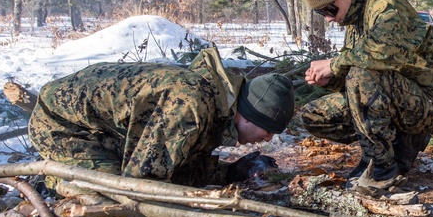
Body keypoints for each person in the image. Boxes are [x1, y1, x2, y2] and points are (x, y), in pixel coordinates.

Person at [28, 44, 294, 187]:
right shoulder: (190, 104)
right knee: (112, 200)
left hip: (102, 128)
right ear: (248, 116)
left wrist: (231, 172)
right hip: (62, 126)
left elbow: (174, 167)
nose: (267, 139)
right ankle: (54, 185)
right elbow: (143, 185)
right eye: (268, 130)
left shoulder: (216, 107)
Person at [299, 0, 433, 192]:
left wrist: (334, 64)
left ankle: (381, 165)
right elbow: (354, 77)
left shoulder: (384, 1)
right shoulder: (354, 19)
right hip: (396, 97)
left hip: (430, 102)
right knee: (314, 115)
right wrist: (331, 79)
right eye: (321, 13)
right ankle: (394, 146)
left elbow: (385, 49)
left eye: (328, 9)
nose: (329, 18)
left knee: (363, 76)